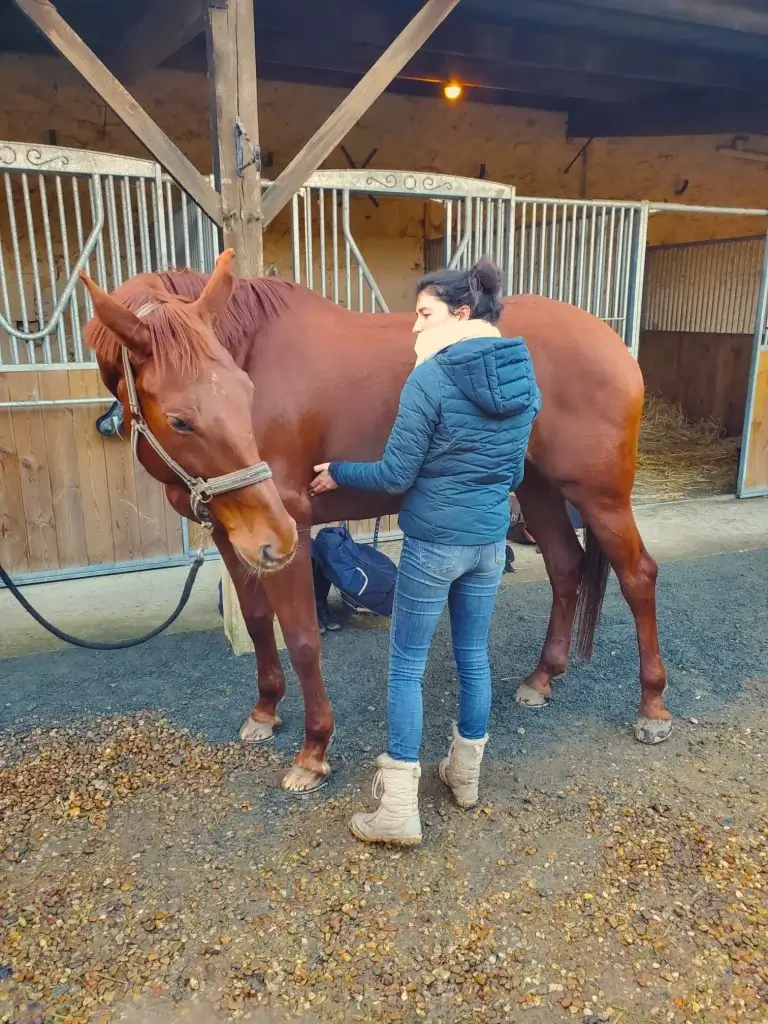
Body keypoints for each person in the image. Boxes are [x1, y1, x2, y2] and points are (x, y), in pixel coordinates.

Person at [310, 258, 541, 846]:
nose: (414, 328)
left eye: (424, 313)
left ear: (460, 313)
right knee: (473, 657)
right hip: (489, 543)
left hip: (434, 543)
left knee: (408, 665)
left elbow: (393, 474)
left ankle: (397, 813)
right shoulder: (522, 377)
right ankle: (464, 779)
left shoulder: (431, 379)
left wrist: (338, 470)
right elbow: (513, 470)